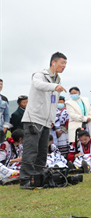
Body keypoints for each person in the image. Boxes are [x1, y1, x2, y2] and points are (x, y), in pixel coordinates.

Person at [19, 52, 67, 189]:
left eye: (65, 64)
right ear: (53, 62)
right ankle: (25, 179)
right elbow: (38, 85)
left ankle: (38, 177)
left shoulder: (57, 80)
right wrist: (53, 87)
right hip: (34, 118)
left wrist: (52, 118)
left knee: (42, 151)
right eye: (62, 63)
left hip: (47, 121)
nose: (64, 66)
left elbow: (53, 102)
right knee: (31, 150)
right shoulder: (40, 74)